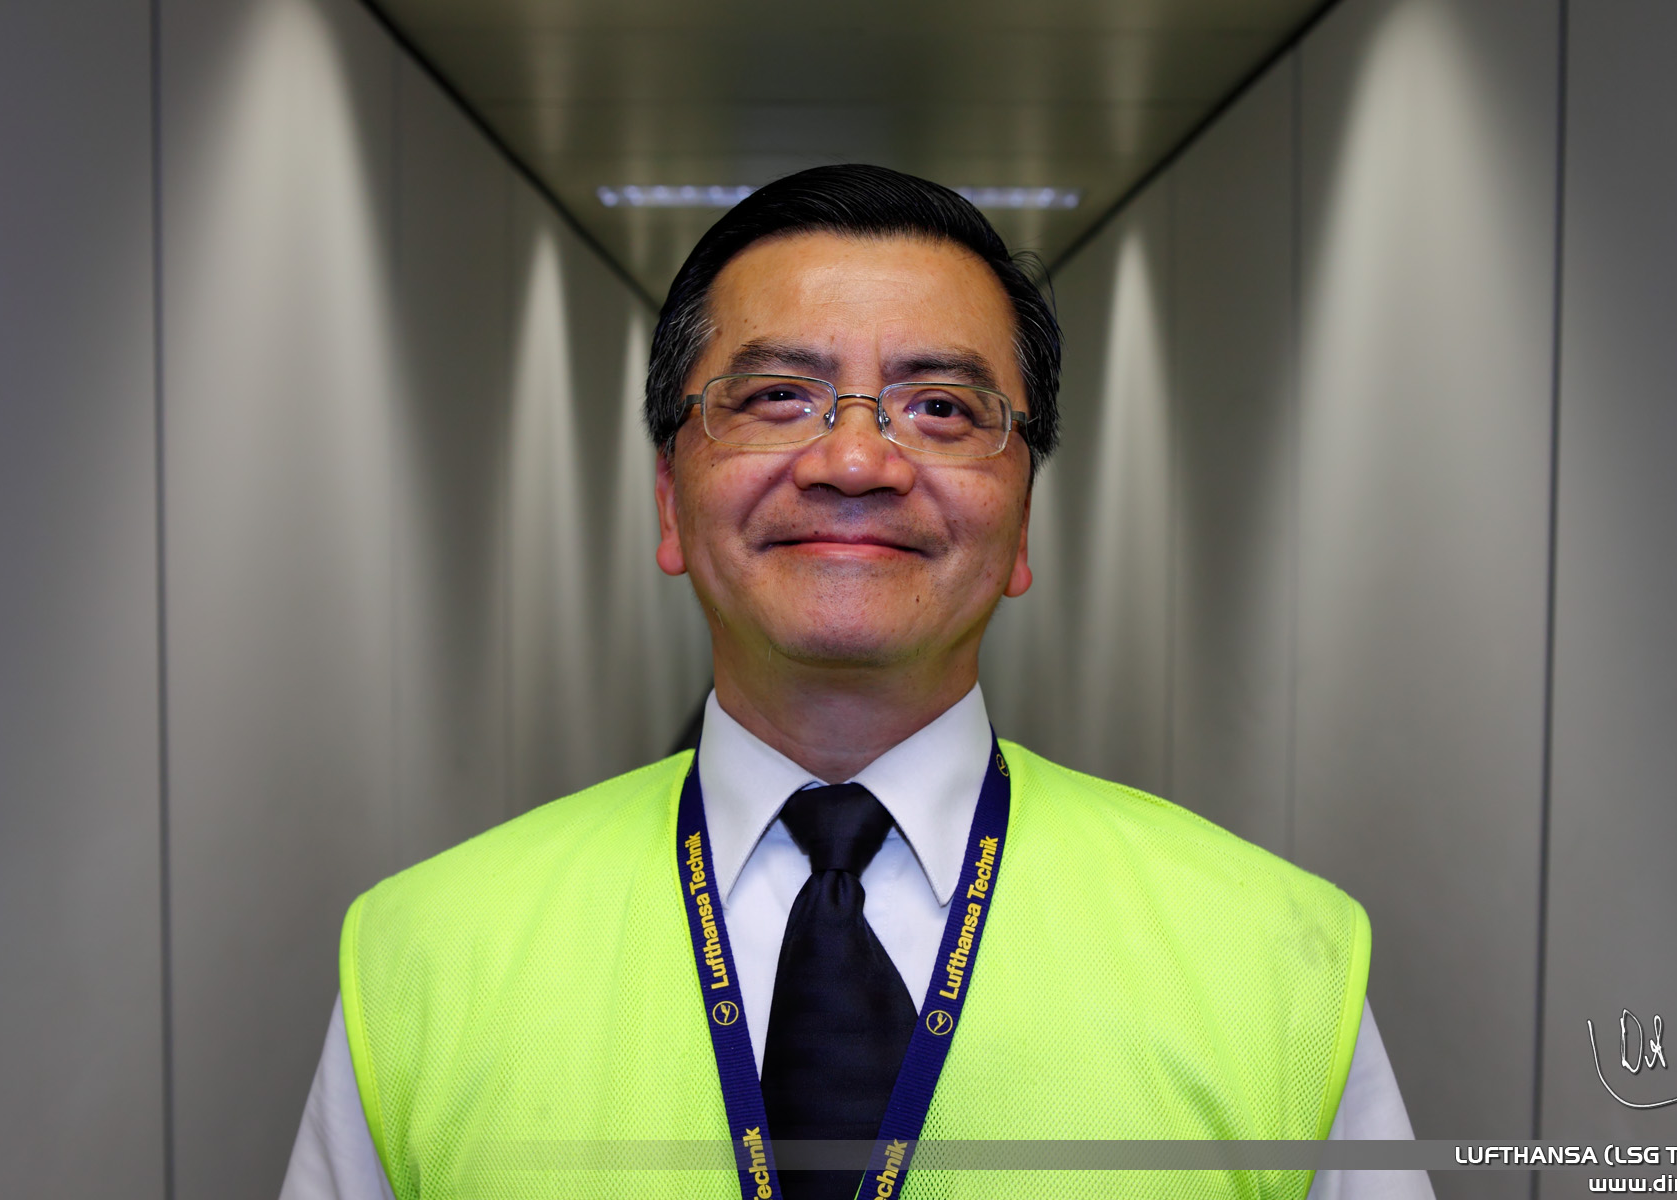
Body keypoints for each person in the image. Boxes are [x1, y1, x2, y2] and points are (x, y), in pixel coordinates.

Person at [280, 164, 1434, 1200]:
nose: (854, 460)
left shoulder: (1275, 962)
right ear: (670, 500)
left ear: (1023, 518)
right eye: (777, 396)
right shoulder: (425, 957)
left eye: (941, 409)